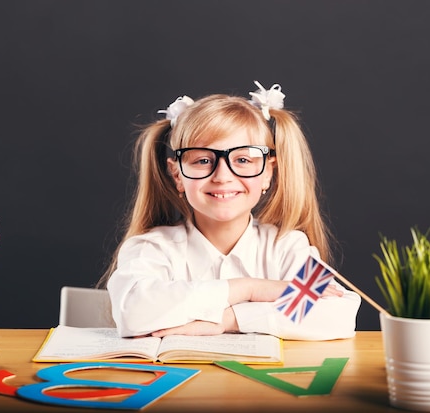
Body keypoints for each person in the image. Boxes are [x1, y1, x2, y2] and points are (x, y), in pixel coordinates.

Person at [100, 81, 361, 340]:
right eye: (203, 160)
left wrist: (230, 319)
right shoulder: (151, 248)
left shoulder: (286, 247)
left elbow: (338, 312)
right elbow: (133, 312)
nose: (222, 176)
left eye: (243, 160)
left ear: (268, 173)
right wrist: (249, 289)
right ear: (177, 174)